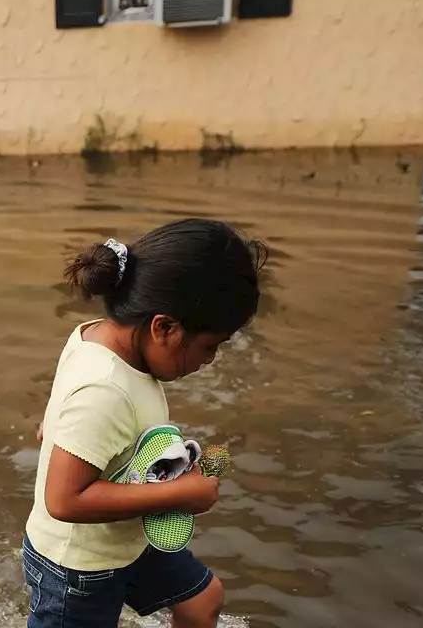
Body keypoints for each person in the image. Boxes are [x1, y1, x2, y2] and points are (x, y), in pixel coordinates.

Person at [24, 219, 265, 628]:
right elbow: (63, 501)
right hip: (79, 569)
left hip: (124, 538)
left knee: (202, 600)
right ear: (164, 327)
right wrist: (177, 494)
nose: (211, 360)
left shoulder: (94, 337)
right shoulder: (106, 388)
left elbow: (60, 417)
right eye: (210, 346)